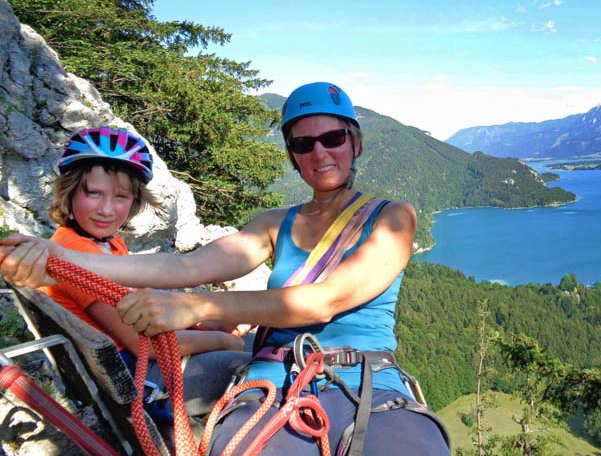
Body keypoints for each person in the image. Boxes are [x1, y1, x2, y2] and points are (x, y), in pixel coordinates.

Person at [0, 84, 450, 455]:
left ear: (354, 143)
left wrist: (198, 306)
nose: (320, 153)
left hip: (366, 376)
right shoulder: (275, 224)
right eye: (302, 144)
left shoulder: (393, 217)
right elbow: (188, 265)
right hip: (276, 377)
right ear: (292, 155)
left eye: (332, 139)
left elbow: (326, 299)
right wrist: (54, 255)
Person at [35, 126, 249, 418]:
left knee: (257, 343)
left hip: (132, 369)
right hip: (141, 385)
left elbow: (136, 313)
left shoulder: (105, 243)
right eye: (94, 193)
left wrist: (206, 326)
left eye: (120, 197)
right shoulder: (78, 255)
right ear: (69, 193)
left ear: (134, 202)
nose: (107, 210)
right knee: (262, 366)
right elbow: (143, 345)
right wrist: (224, 340)